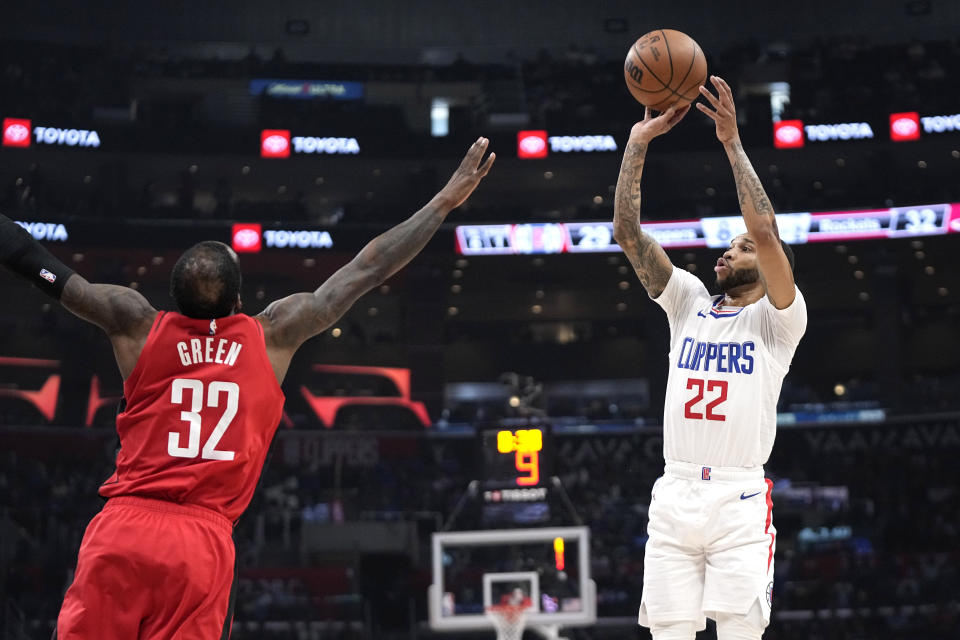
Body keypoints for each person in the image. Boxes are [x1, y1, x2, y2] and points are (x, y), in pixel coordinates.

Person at [0, 138, 495, 639]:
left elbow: (40, 266)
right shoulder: (272, 335)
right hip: (201, 541)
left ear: (172, 298)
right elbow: (367, 269)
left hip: (124, 526)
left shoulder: (137, 326)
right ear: (239, 299)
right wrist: (443, 203)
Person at [612, 77, 807, 640]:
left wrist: (731, 143)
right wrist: (637, 142)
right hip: (674, 492)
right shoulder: (688, 301)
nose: (729, 248)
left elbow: (766, 231)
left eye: (741, 247)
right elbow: (627, 232)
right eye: (731, 242)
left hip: (737, 496)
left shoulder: (779, 319)